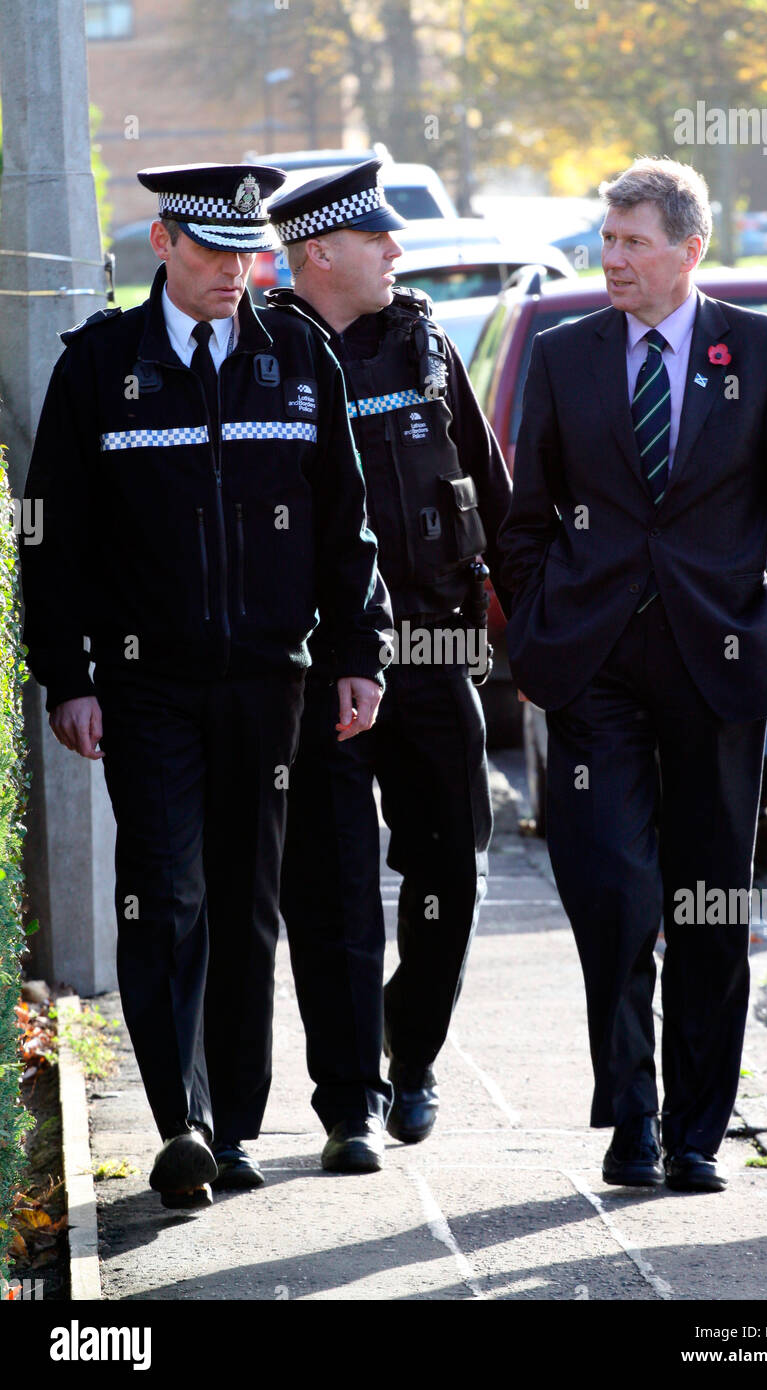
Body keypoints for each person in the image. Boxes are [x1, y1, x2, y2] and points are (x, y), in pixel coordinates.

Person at [21, 163, 391, 1208]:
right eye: (216, 251)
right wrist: (68, 677)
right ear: (163, 246)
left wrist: (358, 652)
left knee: (246, 902)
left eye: (249, 251)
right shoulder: (99, 368)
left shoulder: (298, 355)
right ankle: (179, 1121)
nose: (238, 271)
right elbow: (51, 541)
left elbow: (343, 526)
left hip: (270, 680)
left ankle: (235, 1128)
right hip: (145, 687)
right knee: (166, 895)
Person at [499, 157, 767, 1194]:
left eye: (631, 243)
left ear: (686, 249)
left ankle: (695, 1128)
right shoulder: (564, 358)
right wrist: (545, 630)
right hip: (594, 668)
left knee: (703, 901)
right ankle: (632, 1115)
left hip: (718, 666)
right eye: (605, 242)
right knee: (612, 889)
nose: (612, 260)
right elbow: (522, 526)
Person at [265, 160, 513, 1173]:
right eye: (378, 238)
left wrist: (537, 633)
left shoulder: (421, 342)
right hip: (322, 673)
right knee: (330, 892)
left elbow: (494, 501)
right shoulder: (268, 360)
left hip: (433, 651)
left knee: (449, 871)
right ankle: (346, 1106)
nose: (397, 251)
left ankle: (408, 1053)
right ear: (319, 252)